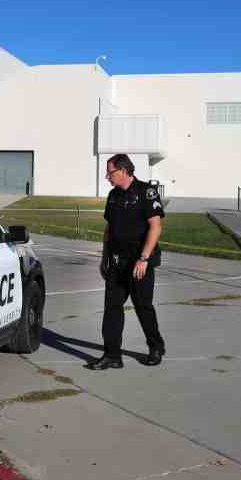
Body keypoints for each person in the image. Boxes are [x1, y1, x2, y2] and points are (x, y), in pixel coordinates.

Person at [85, 154, 166, 370]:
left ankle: (156, 347)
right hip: (117, 262)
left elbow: (155, 227)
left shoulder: (145, 192)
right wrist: (104, 257)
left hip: (140, 262)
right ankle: (112, 355)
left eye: (109, 172)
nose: (106, 177)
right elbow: (108, 229)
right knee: (111, 308)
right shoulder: (113, 196)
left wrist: (144, 258)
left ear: (123, 171)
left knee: (142, 307)